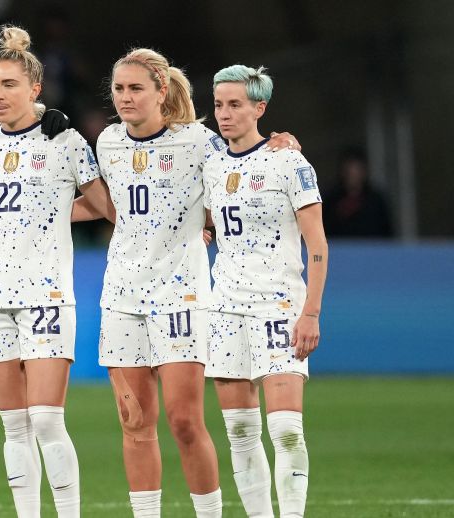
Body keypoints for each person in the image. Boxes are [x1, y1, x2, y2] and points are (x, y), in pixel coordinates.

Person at [0, 25, 97, 518]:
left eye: (9, 84)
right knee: (13, 424)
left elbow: (104, 205)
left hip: (46, 296)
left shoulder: (65, 139)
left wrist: (54, 207)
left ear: (35, 88)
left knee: (45, 419)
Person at [85, 48, 227, 517]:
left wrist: (280, 144)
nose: (125, 97)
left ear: (161, 92)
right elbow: (110, 207)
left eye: (136, 88)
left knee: (184, 421)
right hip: (123, 294)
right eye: (119, 89)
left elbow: (241, 172)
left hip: (180, 293)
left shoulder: (198, 142)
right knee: (134, 420)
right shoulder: (107, 141)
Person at [203, 65, 327, 518]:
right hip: (226, 308)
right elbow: (205, 220)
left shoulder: (288, 162)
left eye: (235, 104)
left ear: (261, 108)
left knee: (287, 430)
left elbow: (317, 242)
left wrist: (310, 311)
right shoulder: (211, 164)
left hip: (278, 305)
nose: (224, 114)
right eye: (218, 104)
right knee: (239, 431)